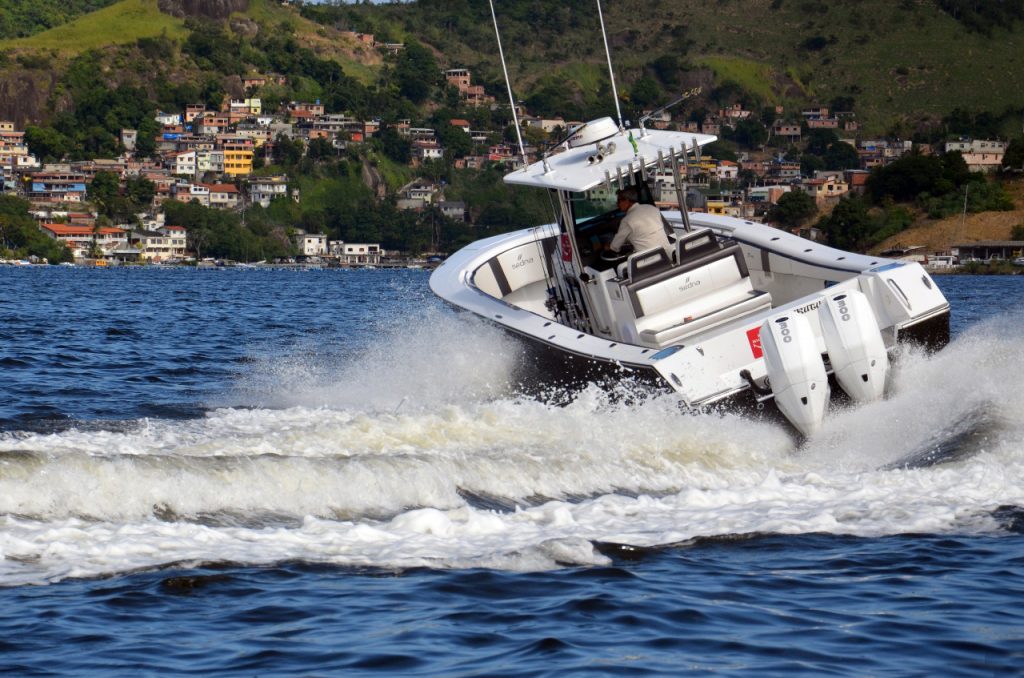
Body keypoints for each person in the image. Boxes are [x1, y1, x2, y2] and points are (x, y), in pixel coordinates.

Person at [608, 187, 671, 256]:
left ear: (627, 200)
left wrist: (607, 246)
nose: (617, 204)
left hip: (651, 261)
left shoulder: (626, 221)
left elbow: (614, 247)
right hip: (668, 254)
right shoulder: (652, 208)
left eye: (618, 201)